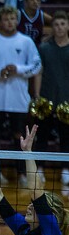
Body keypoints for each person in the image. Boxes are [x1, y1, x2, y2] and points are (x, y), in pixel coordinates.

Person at [0, 6, 41, 187]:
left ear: (17, 20)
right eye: (6, 19)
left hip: (19, 99)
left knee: (19, 137)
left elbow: (36, 65)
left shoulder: (26, 41)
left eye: (12, 19)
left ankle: (22, 174)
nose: (9, 22)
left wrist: (18, 69)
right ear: (0, 21)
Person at [36, 11, 69, 186]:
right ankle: (39, 168)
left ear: (68, 26)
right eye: (56, 24)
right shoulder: (44, 49)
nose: (59, 27)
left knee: (66, 137)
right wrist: (37, 95)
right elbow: (39, 72)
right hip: (46, 99)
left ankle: (66, 170)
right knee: (42, 135)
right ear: (52, 27)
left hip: (66, 101)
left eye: (63, 24)